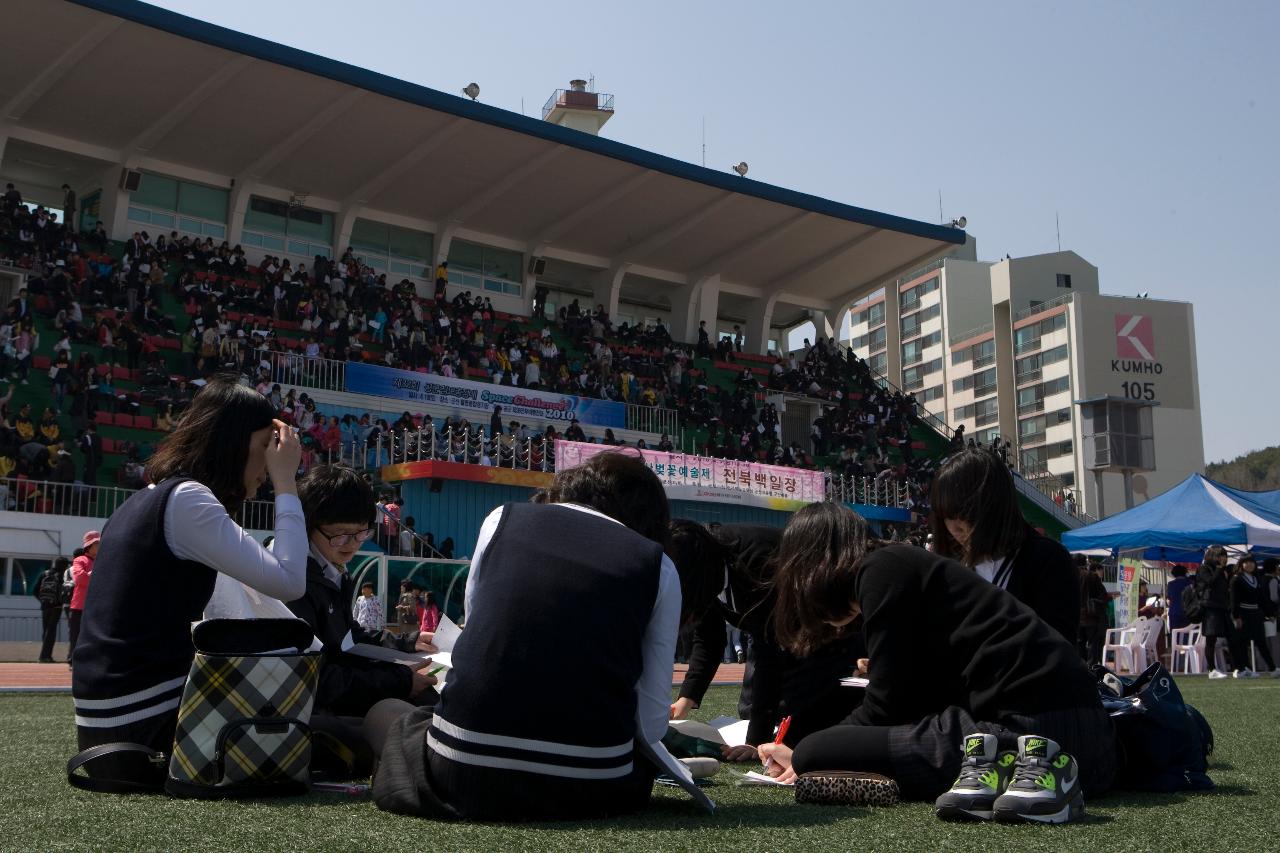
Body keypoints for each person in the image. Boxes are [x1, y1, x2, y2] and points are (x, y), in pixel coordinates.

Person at [366, 452, 696, 821]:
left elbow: (475, 641)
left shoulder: (502, 519)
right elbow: (651, 723)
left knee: (388, 712)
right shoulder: (658, 565)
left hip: (462, 773)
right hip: (596, 788)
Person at [759, 502, 1114, 822]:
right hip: (1079, 731)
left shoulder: (879, 571)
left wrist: (808, 754)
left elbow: (887, 707)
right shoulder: (897, 564)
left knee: (815, 751)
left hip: (1030, 731)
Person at [70, 379, 309, 783]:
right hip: (142, 723)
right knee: (326, 733)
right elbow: (289, 581)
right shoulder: (188, 500)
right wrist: (287, 482)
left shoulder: (151, 496)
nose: (267, 469)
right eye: (264, 451)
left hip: (109, 723)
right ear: (236, 445)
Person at [668, 521, 863, 756]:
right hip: (777, 634)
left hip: (825, 631)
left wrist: (755, 743)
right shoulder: (706, 570)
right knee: (751, 707)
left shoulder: (757, 562)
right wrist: (687, 698)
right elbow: (709, 638)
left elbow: (769, 654)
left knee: (797, 712)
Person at [287, 465, 438, 716]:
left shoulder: (332, 571)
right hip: (314, 715)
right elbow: (317, 679)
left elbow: (348, 636)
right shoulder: (294, 583)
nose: (351, 544)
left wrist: (408, 643)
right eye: (339, 535)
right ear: (307, 525)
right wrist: (399, 681)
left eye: (361, 533)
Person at [929, 448, 1079, 642]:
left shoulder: (1047, 559)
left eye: (965, 514)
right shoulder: (949, 566)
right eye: (948, 517)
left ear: (993, 507)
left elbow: (1057, 648)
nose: (956, 527)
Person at [1229, 555, 1278, 677]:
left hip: (1256, 615)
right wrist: (1236, 616)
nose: (1250, 565)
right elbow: (1234, 600)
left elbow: (1262, 599)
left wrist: (1269, 614)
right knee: (1242, 643)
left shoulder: (1256, 579)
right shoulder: (1237, 579)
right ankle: (1242, 669)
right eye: (1246, 562)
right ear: (1241, 564)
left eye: (1252, 562)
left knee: (1261, 642)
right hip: (1243, 614)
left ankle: (1272, 668)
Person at [1196, 546, 1235, 679]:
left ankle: (1238, 668)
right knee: (1211, 639)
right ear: (1212, 556)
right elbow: (1209, 582)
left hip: (1223, 608)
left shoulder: (1224, 570)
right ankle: (1211, 669)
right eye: (1220, 555)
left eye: (1224, 555)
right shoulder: (1204, 568)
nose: (1223, 558)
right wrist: (1219, 570)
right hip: (1211, 608)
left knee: (1232, 637)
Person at [67, 531, 99, 666]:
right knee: (76, 635)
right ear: (89, 546)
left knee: (94, 636)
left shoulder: (103, 560)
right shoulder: (79, 560)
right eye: (96, 543)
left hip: (97, 605)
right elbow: (80, 579)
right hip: (79, 606)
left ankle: (90, 661)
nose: (100, 545)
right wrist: (96, 574)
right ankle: (73, 660)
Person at [35, 557, 68, 663]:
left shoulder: (44, 574)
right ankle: (45, 656)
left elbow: (34, 590)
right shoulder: (62, 575)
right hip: (56, 607)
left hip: (45, 606)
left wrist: (43, 600)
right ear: (64, 565)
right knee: (51, 631)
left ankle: (45, 655)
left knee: (46, 630)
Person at [1078, 560, 1109, 665]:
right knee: (1092, 643)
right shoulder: (1092, 576)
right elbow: (1102, 595)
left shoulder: (1069, 575)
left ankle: (1080, 665)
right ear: (1085, 564)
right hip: (1091, 615)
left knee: (1079, 642)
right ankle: (1091, 667)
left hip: (1076, 616)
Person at [1166, 565, 1192, 631]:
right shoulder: (1190, 583)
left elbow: (1169, 599)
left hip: (1174, 612)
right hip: (1188, 611)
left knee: (1175, 634)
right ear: (1184, 572)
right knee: (1187, 634)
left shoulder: (1171, 584)